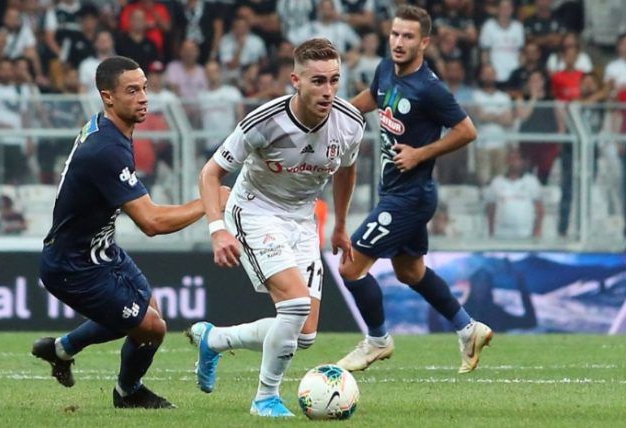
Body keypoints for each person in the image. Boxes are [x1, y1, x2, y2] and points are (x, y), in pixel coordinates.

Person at [31, 56, 228, 410]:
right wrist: (209, 203)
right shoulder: (106, 149)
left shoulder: (107, 129)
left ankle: (60, 349)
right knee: (152, 328)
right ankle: (128, 392)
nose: (143, 98)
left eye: (145, 89)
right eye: (132, 91)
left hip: (100, 250)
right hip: (73, 266)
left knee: (149, 310)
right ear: (108, 97)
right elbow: (151, 222)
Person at [189, 38, 365, 417]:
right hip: (255, 211)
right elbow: (210, 173)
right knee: (296, 305)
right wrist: (217, 229)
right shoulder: (265, 122)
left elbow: (347, 171)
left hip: (302, 218)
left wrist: (340, 224)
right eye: (318, 81)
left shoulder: (350, 123)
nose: (328, 90)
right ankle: (265, 398)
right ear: (295, 81)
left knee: (304, 334)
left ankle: (214, 339)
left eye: (334, 80)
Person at [335, 5, 493, 375]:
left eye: (408, 36)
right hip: (396, 192)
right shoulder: (385, 69)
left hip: (410, 197)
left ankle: (377, 341)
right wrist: (334, 115)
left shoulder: (430, 88)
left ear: (424, 42)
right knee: (409, 271)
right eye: (395, 34)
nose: (399, 42)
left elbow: (467, 131)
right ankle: (468, 329)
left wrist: (420, 153)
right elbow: (371, 98)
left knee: (350, 267)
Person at [485, 148, 544, 239]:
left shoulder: (531, 181)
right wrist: (491, 231)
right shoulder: (496, 182)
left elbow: (539, 209)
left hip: (526, 233)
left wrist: (537, 229)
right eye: (511, 159)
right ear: (506, 161)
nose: (513, 163)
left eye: (516, 159)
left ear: (522, 162)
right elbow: (491, 210)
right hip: (501, 234)